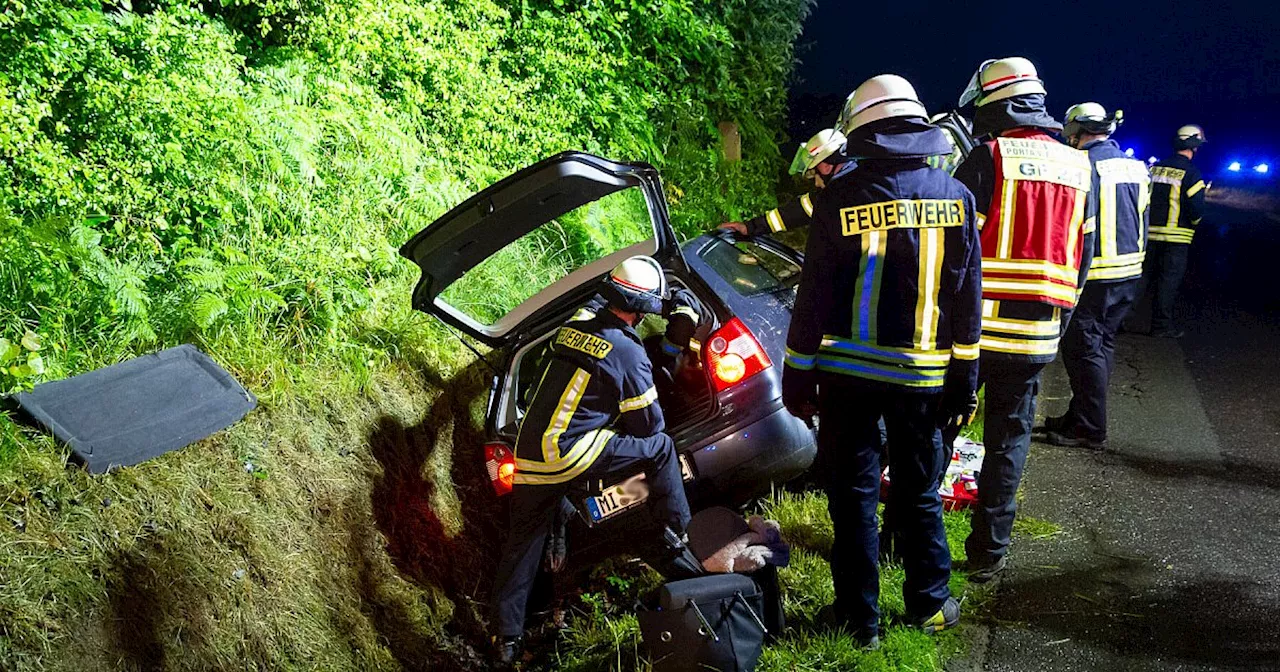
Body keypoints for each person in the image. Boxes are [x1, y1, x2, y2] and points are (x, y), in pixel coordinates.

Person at [781, 74, 982, 647]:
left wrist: (798, 375)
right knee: (919, 493)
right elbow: (966, 300)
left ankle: (858, 622)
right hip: (924, 378)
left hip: (847, 379)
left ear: (861, 132)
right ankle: (929, 605)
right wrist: (965, 383)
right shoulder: (956, 198)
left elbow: (813, 295)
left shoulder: (839, 197)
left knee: (852, 497)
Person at [490, 256, 702, 665]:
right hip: (568, 453)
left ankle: (506, 640)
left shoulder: (574, 324)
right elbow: (648, 426)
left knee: (522, 544)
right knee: (660, 448)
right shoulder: (627, 350)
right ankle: (680, 532)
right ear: (640, 311)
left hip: (529, 452)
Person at [950, 57, 1095, 583]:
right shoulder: (1081, 167)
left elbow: (954, 251)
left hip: (971, 332)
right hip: (1035, 335)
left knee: (940, 434)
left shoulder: (987, 158)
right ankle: (988, 557)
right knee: (1008, 444)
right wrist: (1058, 321)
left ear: (998, 105)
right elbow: (1083, 258)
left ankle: (909, 544)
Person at [1042, 103, 1150, 450]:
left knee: (1083, 349)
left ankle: (1089, 428)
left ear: (1075, 130)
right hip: (1129, 272)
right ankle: (1080, 414)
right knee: (1102, 345)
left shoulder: (1080, 164)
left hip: (1095, 274)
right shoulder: (1135, 166)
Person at [1134, 125, 1207, 338]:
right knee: (1168, 283)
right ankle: (1160, 327)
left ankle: (1120, 321)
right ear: (1194, 145)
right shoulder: (1192, 173)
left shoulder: (1155, 168)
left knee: (1141, 279)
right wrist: (1194, 223)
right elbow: (1196, 209)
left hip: (1148, 236)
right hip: (1177, 239)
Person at [719, 128, 855, 236]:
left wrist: (749, 227)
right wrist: (749, 227)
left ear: (826, 166)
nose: (816, 183)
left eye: (814, 173)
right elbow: (795, 212)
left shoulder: (835, 195)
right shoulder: (858, 182)